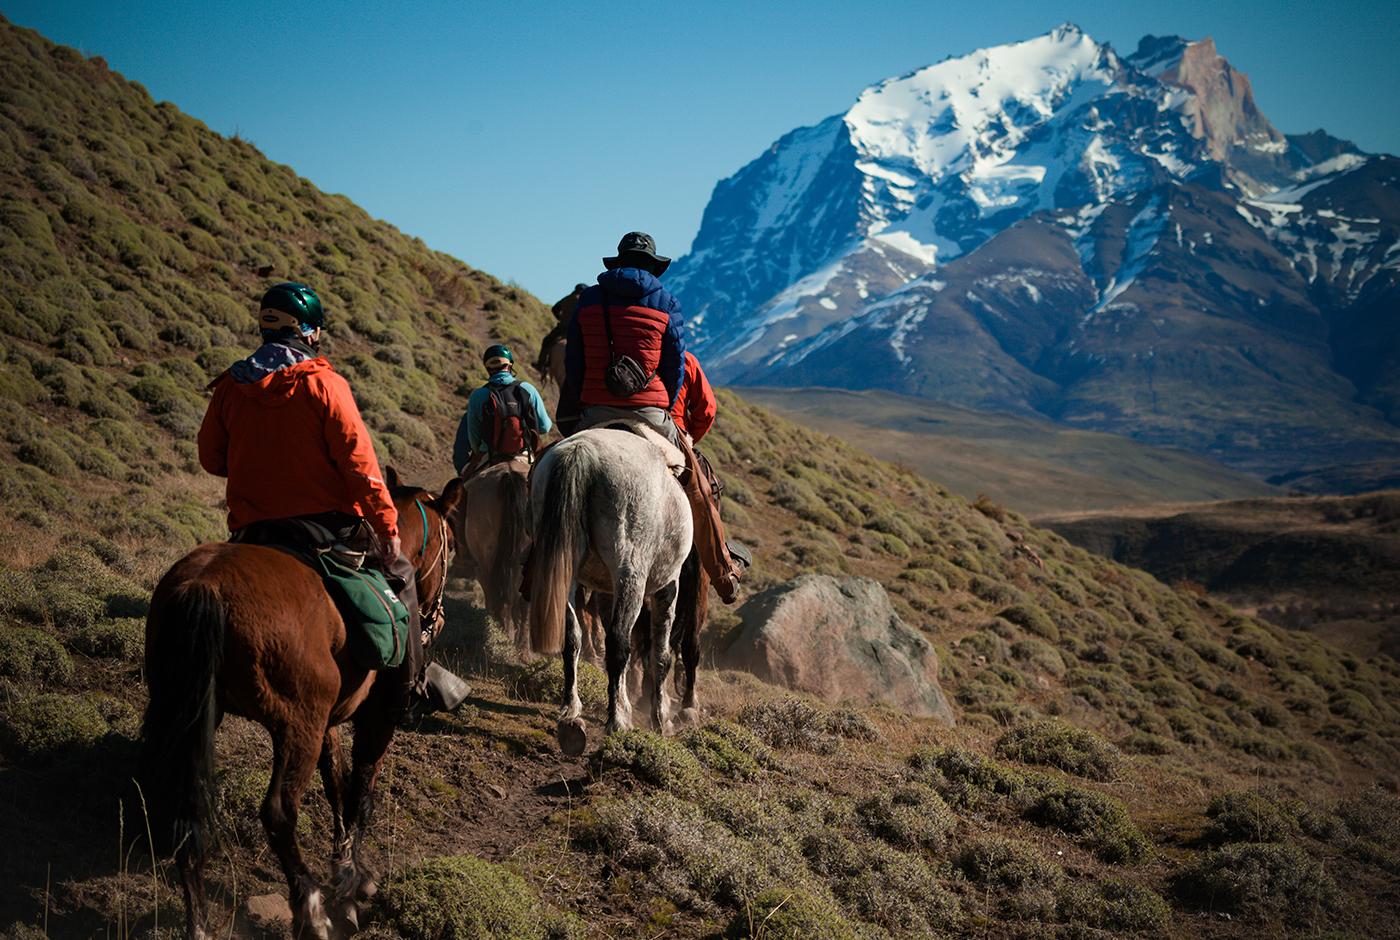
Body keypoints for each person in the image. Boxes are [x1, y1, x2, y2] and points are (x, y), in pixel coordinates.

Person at [197, 282, 462, 712]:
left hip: (253, 529)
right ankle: (411, 689)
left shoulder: (230, 384)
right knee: (403, 577)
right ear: (306, 331)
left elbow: (212, 458)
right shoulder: (324, 383)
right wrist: (388, 529)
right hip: (326, 530)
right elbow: (360, 466)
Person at [562, 232, 747, 603]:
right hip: (651, 413)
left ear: (618, 262)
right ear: (651, 266)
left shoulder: (588, 300)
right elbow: (675, 366)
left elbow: (574, 362)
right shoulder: (666, 302)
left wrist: (575, 409)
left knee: (550, 475)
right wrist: (659, 401)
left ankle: (536, 566)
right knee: (698, 489)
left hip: (594, 409)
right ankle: (724, 574)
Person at [452, 343, 552, 478]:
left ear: (488, 369)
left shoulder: (477, 396)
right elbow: (544, 427)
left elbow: (474, 441)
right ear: (510, 365)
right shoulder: (529, 389)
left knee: (463, 489)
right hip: (524, 454)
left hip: (489, 455)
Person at [535, 283, 587, 375]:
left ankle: (540, 365)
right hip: (578, 328)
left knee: (546, 341)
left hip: (562, 328)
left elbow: (555, 309)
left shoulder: (566, 299)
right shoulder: (584, 300)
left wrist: (561, 318)